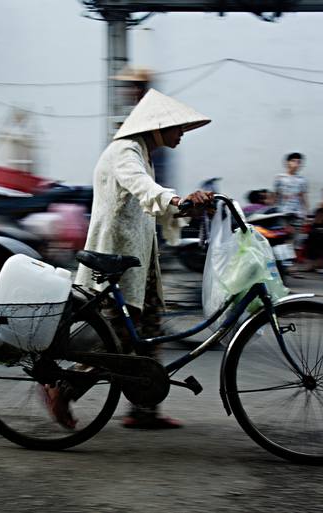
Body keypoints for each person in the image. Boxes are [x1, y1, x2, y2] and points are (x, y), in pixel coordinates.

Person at [47, 89, 212, 430]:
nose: (181, 133)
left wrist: (186, 209)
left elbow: (150, 206)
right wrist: (178, 200)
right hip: (115, 263)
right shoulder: (125, 151)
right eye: (177, 127)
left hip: (138, 263)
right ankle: (63, 390)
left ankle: (144, 408)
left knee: (149, 331)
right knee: (120, 342)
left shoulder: (143, 153)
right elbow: (142, 188)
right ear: (157, 127)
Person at [274, 152, 308, 223]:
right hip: (283, 212)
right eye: (294, 161)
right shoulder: (280, 178)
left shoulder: (302, 180)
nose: (296, 164)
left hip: (297, 213)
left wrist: (306, 213)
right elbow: (276, 195)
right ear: (287, 162)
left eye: (299, 162)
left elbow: (303, 197)